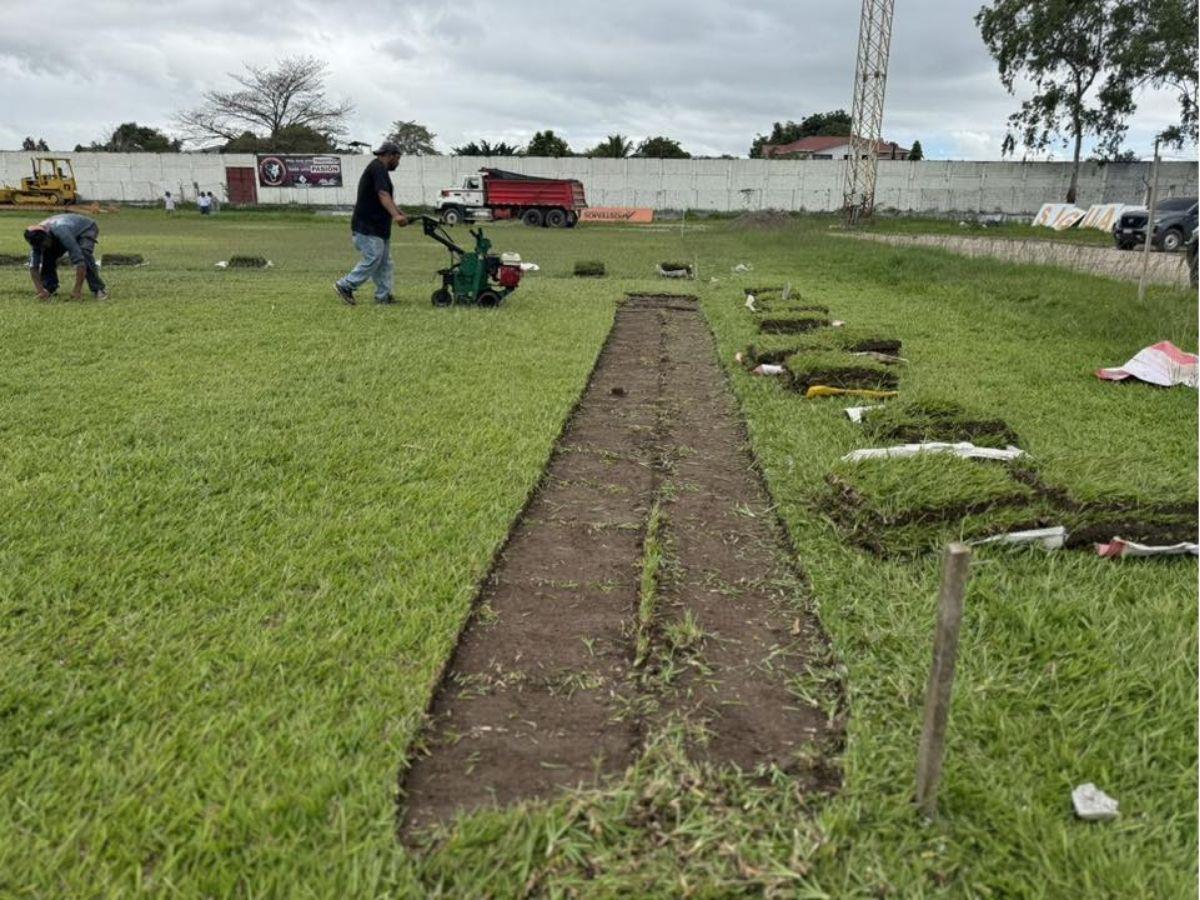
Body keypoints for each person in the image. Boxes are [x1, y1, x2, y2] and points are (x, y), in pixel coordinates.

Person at [334, 141, 407, 305]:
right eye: (398, 158)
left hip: (379, 226)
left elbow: (385, 195)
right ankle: (345, 285)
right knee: (374, 258)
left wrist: (399, 212)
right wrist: (396, 216)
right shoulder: (377, 168)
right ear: (390, 155)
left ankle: (383, 296)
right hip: (367, 226)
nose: (398, 162)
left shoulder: (380, 169)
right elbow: (382, 193)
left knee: (385, 262)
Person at [24, 213, 108, 301]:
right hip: (66, 229)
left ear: (48, 236)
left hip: (86, 228)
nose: (44, 247)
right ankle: (49, 288)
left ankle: (98, 289)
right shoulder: (36, 240)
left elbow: (80, 262)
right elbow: (33, 267)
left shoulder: (62, 233)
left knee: (84, 253)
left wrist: (77, 290)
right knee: (47, 255)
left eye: (45, 244)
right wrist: (40, 290)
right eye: (41, 246)